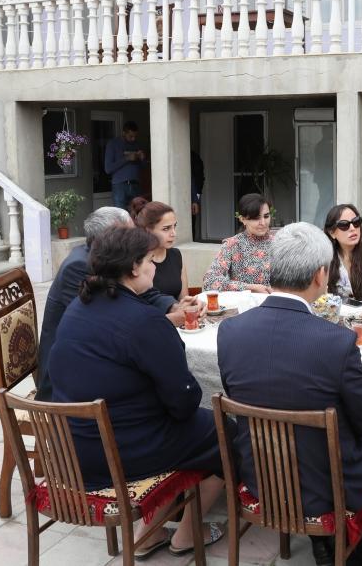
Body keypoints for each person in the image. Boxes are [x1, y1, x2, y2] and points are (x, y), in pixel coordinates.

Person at [219, 222, 362, 565]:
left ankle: (328, 542)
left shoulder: (230, 330)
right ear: (321, 276)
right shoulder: (336, 341)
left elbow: (235, 392)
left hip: (260, 478)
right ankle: (349, 540)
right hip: (327, 486)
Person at [49, 226, 225, 558]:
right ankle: (187, 534)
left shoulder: (78, 308)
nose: (155, 267)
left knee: (191, 426)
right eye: (149, 260)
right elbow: (184, 401)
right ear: (133, 267)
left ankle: (149, 533)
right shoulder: (144, 321)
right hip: (118, 454)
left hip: (71, 449)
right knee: (224, 430)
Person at [36, 207, 196, 402]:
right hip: (73, 380)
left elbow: (144, 294)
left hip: (103, 361)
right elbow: (111, 326)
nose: (135, 240)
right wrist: (167, 322)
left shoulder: (112, 260)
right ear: (109, 238)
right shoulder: (79, 266)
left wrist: (174, 306)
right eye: (127, 235)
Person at [202, 193, 274, 292]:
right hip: (244, 301)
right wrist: (250, 288)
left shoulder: (279, 244)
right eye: (256, 218)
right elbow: (210, 281)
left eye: (266, 216)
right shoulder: (232, 245)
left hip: (277, 301)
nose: (263, 222)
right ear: (243, 219)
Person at [131, 198, 188, 301]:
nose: (173, 233)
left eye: (174, 226)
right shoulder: (138, 260)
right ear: (148, 230)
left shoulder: (176, 255)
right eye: (166, 228)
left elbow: (184, 299)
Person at [104, 120, 146, 210]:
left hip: (135, 185)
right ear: (124, 133)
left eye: (135, 136)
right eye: (131, 136)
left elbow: (143, 167)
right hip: (120, 186)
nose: (133, 139)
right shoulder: (113, 144)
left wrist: (143, 159)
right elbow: (108, 169)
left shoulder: (137, 144)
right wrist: (126, 159)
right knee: (121, 214)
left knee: (139, 213)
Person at [191, 150, 205, 241]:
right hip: (192, 195)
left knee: (191, 221)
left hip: (191, 196)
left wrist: (195, 199)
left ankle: (192, 240)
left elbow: (198, 178)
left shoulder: (193, 157)